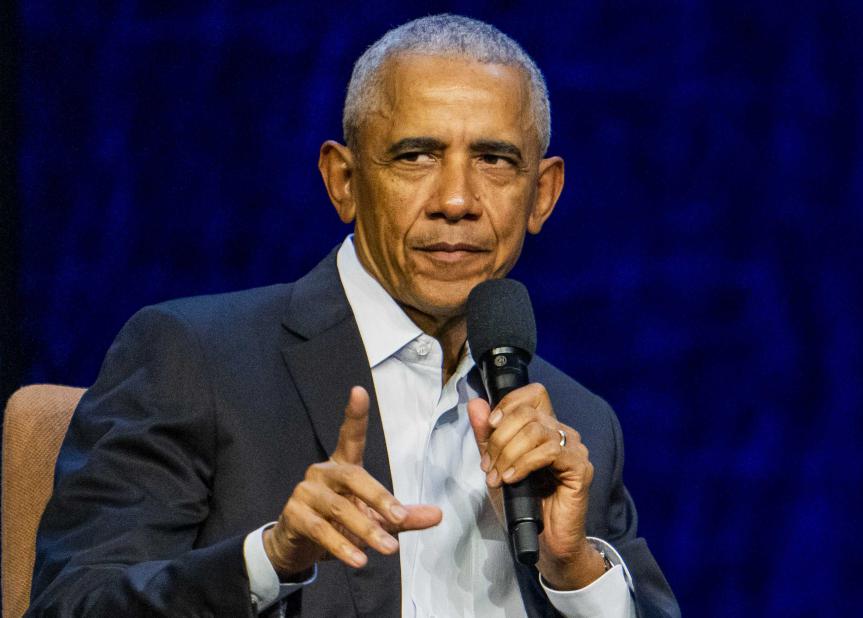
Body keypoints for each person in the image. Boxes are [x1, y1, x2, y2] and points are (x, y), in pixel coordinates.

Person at [29, 14, 679, 618]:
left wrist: (576, 570)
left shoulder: (578, 423)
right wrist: (270, 559)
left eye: (494, 160)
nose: (457, 200)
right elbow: (72, 604)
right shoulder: (195, 358)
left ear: (542, 193)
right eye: (416, 156)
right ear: (343, 180)